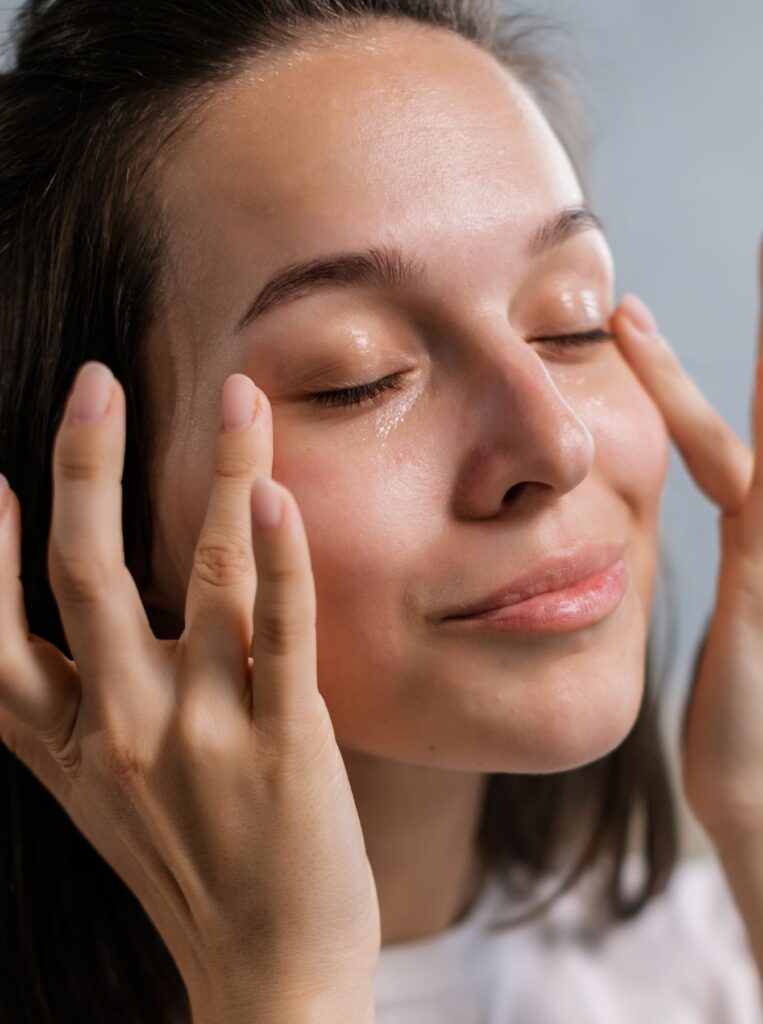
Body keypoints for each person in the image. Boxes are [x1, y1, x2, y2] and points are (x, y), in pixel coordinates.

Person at [0, 1, 762, 1021]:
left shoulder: (712, 960)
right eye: (356, 378)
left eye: (570, 323)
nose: (555, 447)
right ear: (88, 515)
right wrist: (283, 989)